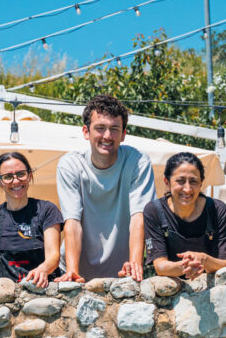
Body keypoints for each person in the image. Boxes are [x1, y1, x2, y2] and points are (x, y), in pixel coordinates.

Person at [55, 95, 156, 282]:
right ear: (86, 131)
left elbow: (139, 218)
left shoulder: (138, 162)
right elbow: (72, 221)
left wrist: (135, 265)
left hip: (123, 272)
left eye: (114, 129)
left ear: (124, 133)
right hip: (73, 269)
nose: (107, 136)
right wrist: (72, 271)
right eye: (100, 128)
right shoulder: (70, 165)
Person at [0, 152, 64, 290]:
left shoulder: (47, 210)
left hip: (45, 289)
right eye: (8, 177)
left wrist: (42, 270)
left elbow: (53, 256)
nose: (16, 181)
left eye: (21, 174)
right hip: (7, 294)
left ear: (30, 175)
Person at [144, 152, 226, 279]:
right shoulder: (154, 211)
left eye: (193, 181)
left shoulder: (218, 210)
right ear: (167, 182)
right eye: (180, 181)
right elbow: (160, 266)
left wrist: (204, 259)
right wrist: (187, 266)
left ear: (202, 183)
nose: (187, 189)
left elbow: (224, 264)